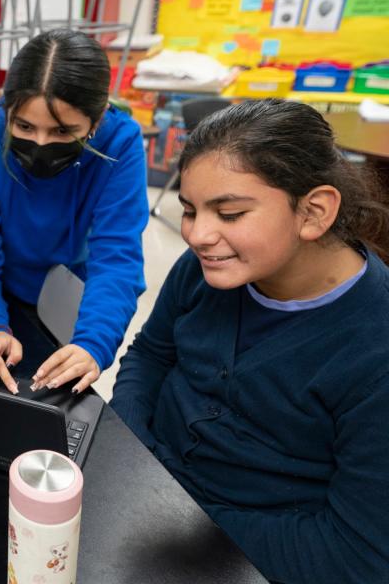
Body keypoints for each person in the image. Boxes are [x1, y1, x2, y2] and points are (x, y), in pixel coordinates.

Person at [110, 99, 389, 583]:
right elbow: (151, 355)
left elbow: (356, 554)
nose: (198, 235)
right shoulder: (207, 269)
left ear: (314, 212)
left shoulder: (375, 350)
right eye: (190, 211)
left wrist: (183, 520)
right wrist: (127, 446)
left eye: (230, 213)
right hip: (143, 500)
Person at [0, 29, 148, 395]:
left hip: (73, 298)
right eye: (23, 126)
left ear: (98, 117)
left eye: (61, 132)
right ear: (8, 108)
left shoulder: (122, 145)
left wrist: (93, 342)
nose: (39, 144)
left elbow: (117, 261)